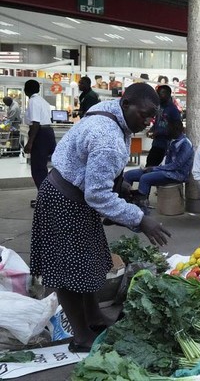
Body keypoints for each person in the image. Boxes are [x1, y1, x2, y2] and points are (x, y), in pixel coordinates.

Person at [30, 83, 171, 353]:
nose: (147, 121)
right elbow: (98, 196)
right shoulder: (108, 139)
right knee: (68, 272)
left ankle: (93, 317)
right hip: (63, 201)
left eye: (152, 116)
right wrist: (140, 219)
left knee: (88, 264)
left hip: (72, 194)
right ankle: (82, 336)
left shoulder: (111, 112)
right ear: (126, 103)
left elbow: (94, 171)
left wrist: (119, 182)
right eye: (144, 114)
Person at [123, 120, 193, 208]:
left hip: (177, 174)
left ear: (179, 130)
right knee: (129, 174)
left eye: (170, 130)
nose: (167, 132)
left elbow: (176, 165)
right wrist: (154, 168)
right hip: (166, 170)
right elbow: (166, 162)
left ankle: (141, 207)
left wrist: (154, 169)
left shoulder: (185, 144)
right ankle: (124, 203)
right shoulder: (172, 141)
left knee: (145, 178)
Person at [22, 80, 56, 208]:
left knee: (38, 169)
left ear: (26, 90)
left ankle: (45, 200)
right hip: (48, 133)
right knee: (45, 168)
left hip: (40, 135)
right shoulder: (43, 101)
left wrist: (30, 143)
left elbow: (35, 123)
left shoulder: (33, 101)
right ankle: (47, 197)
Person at [145, 85, 181, 167]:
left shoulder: (173, 110)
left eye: (160, 94)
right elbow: (158, 122)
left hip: (166, 145)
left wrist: (159, 132)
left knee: (154, 167)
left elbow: (177, 129)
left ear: (168, 94)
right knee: (150, 164)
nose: (158, 96)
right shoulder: (160, 107)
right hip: (156, 143)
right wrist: (152, 129)